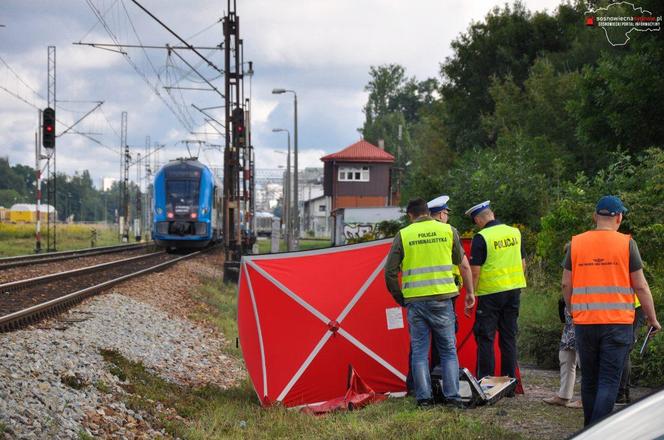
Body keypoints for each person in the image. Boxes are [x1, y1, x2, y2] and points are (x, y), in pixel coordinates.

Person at [562, 195, 660, 426]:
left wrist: (573, 310)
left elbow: (566, 284)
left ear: (595, 216)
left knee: (590, 380)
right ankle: (598, 431)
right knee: (608, 381)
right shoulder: (626, 243)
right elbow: (641, 285)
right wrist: (652, 318)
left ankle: (589, 429)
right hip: (617, 323)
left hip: (585, 322)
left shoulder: (576, 243)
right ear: (619, 217)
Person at [385, 198, 475, 408]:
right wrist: (469, 292)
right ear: (428, 212)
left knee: (419, 352)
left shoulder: (404, 234)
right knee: (448, 351)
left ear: (411, 215)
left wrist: (401, 298)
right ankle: (453, 397)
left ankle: (424, 399)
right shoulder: (448, 230)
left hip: (416, 302)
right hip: (443, 299)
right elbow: (458, 260)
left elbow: (389, 272)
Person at [465, 200, 526, 381]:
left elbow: (475, 272)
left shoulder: (481, 237)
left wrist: (471, 296)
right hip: (513, 292)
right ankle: (510, 383)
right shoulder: (515, 232)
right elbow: (523, 264)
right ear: (492, 214)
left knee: (486, 338)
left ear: (478, 220)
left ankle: (486, 382)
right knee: (508, 337)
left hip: (490, 294)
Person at [543, 299, 582, 409]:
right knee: (566, 356)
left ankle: (586, 398)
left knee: (585, 360)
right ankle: (564, 396)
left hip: (584, 315)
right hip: (571, 319)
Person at [616, 296, 645, 405]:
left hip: (630, 305)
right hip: (629, 305)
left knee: (624, 350)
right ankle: (624, 392)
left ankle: (621, 393)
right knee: (625, 350)